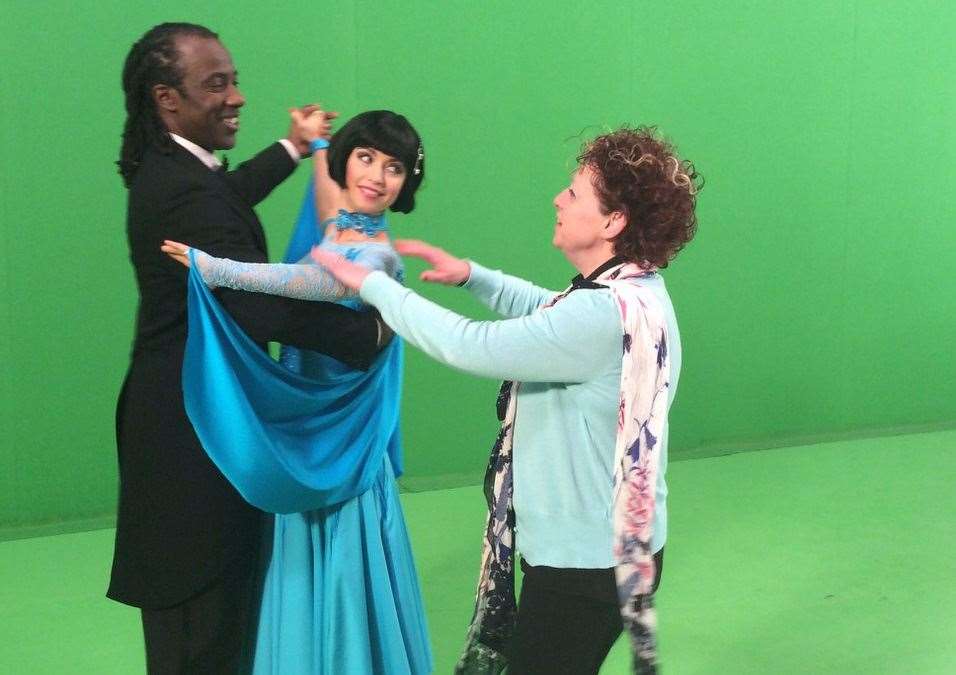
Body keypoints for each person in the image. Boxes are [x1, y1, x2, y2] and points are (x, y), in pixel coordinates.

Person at [309, 125, 701, 674]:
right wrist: (474, 277)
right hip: (616, 551)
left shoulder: (598, 315)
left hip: (582, 565)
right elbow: (552, 313)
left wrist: (372, 285)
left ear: (613, 221)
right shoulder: (636, 292)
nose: (557, 200)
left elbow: (468, 344)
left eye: (574, 192)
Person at [111, 23, 386, 674]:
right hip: (188, 439)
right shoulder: (179, 189)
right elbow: (251, 300)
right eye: (216, 84)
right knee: (200, 625)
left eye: (234, 79)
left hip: (192, 422)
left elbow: (227, 197)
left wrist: (293, 147)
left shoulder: (178, 170)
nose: (236, 96)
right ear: (166, 99)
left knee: (217, 617)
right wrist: (368, 331)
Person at [161, 109, 431, 674]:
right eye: (365, 158)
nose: (378, 177)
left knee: (343, 558)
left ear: (407, 182)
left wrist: (214, 267)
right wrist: (311, 147)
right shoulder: (343, 231)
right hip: (315, 430)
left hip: (343, 444)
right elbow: (325, 232)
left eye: (394, 167)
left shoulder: (376, 253)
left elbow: (306, 282)